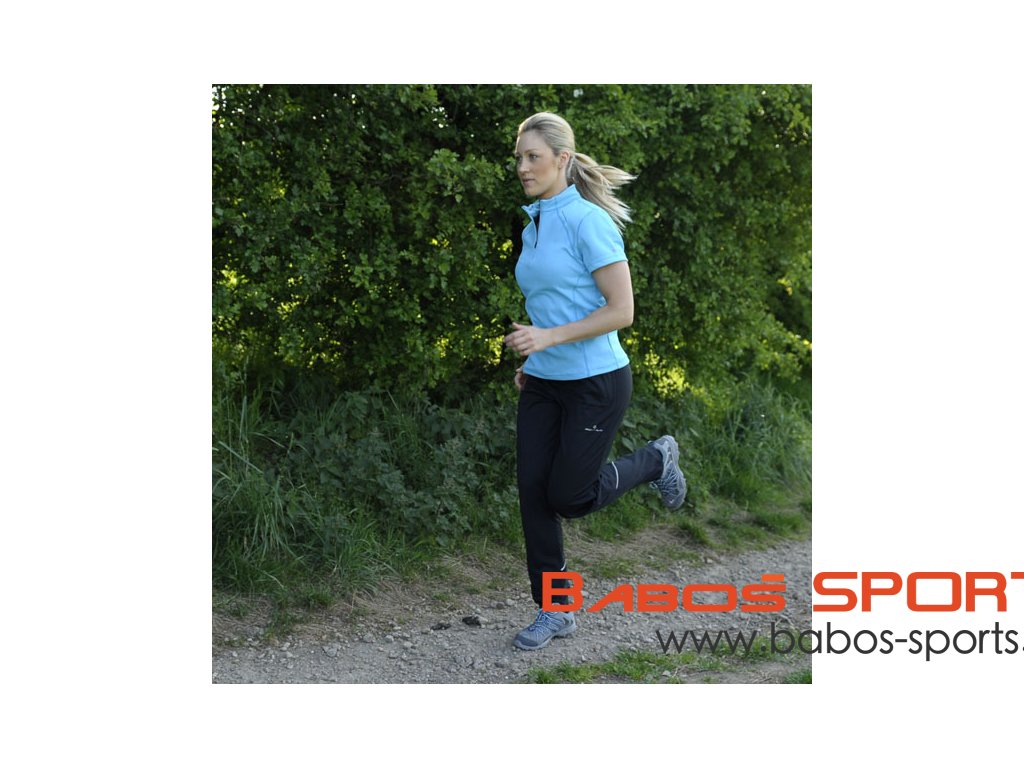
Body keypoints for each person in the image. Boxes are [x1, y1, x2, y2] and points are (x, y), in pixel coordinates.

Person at [503, 112, 688, 651]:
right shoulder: (533, 223)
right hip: (544, 380)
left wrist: (548, 338)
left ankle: (656, 460)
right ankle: (555, 609)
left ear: (562, 159)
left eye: (533, 157)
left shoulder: (589, 222)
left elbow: (621, 310)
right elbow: (553, 300)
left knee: (569, 496)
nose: (523, 167)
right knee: (533, 494)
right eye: (519, 158)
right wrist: (536, 354)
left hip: (595, 381)